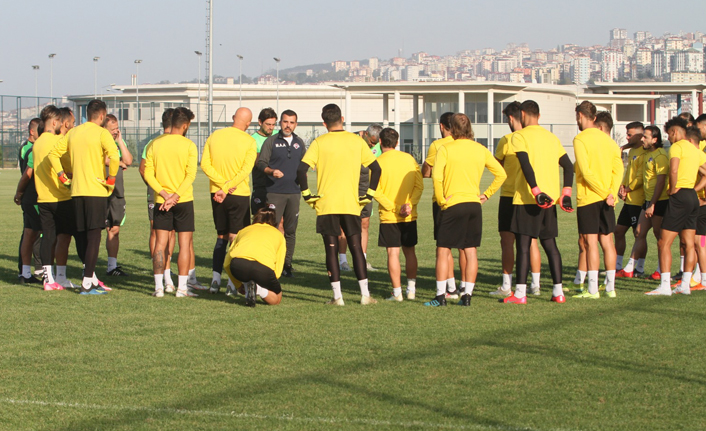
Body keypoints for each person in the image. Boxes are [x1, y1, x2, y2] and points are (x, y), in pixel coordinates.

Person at [296, 103, 382, 305]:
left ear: (324, 123)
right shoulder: (357, 141)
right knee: (356, 249)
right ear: (342, 119)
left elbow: (301, 170)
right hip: (351, 203)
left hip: (327, 205)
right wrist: (369, 196)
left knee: (331, 250)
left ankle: (338, 297)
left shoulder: (319, 142)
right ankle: (365, 295)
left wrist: (308, 195)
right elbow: (376, 169)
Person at [428, 114, 506, 307]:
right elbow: (501, 174)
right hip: (473, 204)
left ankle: (440, 296)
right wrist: (486, 195)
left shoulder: (445, 148)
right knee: (470, 250)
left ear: (452, 129)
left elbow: (436, 177)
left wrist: (440, 199)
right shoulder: (480, 149)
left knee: (443, 249)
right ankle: (467, 295)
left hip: (452, 203)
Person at [503, 100, 575, 305]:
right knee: (550, 245)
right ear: (539, 116)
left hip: (527, 199)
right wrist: (566, 192)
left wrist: (535, 190)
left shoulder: (519, 136)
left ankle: (520, 294)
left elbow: (525, 165)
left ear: (522, 114)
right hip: (550, 201)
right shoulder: (551, 137)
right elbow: (569, 167)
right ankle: (558, 292)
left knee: (524, 246)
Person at [48, 99, 120, 295]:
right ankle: (88, 281)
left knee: (83, 235)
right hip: (96, 190)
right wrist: (111, 179)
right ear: (102, 116)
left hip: (76, 191)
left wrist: (62, 175)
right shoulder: (102, 133)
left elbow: (53, 154)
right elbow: (114, 156)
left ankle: (90, 277)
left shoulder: (74, 132)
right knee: (94, 236)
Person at [143, 107, 199, 298]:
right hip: (183, 200)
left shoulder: (154, 144)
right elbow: (190, 174)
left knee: (160, 244)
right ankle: (182, 288)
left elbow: (147, 173)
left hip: (161, 201)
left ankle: (159, 287)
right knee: (184, 244)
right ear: (185, 125)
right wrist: (175, 196)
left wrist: (164, 194)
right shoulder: (189, 145)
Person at [646, 119, 706, 296]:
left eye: (669, 134)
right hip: (692, 197)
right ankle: (685, 285)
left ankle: (665, 286)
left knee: (664, 242)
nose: (669, 138)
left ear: (675, 132)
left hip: (679, 197)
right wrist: (695, 189)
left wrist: (672, 189)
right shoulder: (696, 150)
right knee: (689, 243)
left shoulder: (677, 147)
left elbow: (673, 170)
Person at [201, 107, 257, 294]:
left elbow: (205, 164)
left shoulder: (215, 136)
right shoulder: (249, 141)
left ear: (233, 118)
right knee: (235, 239)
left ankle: (215, 280)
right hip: (238, 194)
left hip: (216, 193)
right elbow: (245, 170)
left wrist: (221, 185)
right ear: (248, 123)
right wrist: (228, 186)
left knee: (220, 237)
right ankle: (233, 284)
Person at [21, 105, 77, 290]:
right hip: (61, 196)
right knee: (64, 237)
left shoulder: (36, 144)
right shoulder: (57, 141)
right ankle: (60, 276)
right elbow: (69, 165)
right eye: (61, 122)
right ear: (54, 122)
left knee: (48, 237)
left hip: (43, 197)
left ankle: (48, 279)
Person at [572, 101, 624, 299]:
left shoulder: (580, 139)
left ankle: (592, 289)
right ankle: (610, 288)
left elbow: (585, 172)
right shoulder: (609, 142)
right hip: (607, 199)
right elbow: (618, 170)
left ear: (580, 116)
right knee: (607, 242)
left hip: (590, 197)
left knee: (590, 243)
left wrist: (603, 193)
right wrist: (611, 193)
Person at [493, 102, 542, 297]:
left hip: (509, 195)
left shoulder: (507, 139)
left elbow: (497, 167)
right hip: (530, 195)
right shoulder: (535, 138)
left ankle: (507, 285)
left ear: (512, 118)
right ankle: (535, 284)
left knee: (507, 241)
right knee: (531, 241)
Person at [372, 127, 423, 301]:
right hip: (409, 214)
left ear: (380, 142)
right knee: (410, 251)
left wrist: (394, 207)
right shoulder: (409, 159)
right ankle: (411, 290)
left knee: (392, 253)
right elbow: (419, 186)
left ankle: (397, 292)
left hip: (389, 216)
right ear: (397, 142)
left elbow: (375, 191)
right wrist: (409, 205)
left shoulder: (377, 162)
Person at [256, 109, 305, 277]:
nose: (288, 125)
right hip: (274, 192)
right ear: (280, 123)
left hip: (293, 193)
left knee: (291, 230)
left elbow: (304, 165)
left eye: (291, 122)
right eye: (285, 122)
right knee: (271, 229)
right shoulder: (271, 142)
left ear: (296, 124)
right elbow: (261, 163)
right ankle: (269, 263)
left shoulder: (300, 143)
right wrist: (271, 171)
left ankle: (287, 265)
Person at [421, 112, 463, 298]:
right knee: (465, 247)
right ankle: (466, 287)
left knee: (444, 246)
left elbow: (427, 171)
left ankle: (450, 288)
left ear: (441, 126)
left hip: (443, 199)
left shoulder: (438, 145)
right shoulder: (467, 145)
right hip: (465, 197)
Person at [622, 126, 669, 281]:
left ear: (655, 139)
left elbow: (661, 182)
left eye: (646, 137)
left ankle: (661, 270)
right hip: (648, 201)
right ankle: (630, 268)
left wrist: (653, 204)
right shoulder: (649, 154)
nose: (642, 139)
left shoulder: (660, 155)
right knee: (639, 232)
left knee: (660, 238)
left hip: (659, 202)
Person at [139, 109, 178, 292]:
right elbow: (142, 168)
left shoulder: (173, 142)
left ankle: (167, 275)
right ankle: (163, 275)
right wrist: (156, 188)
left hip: (169, 194)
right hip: (165, 195)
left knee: (167, 233)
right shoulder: (154, 143)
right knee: (160, 232)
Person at [338, 123, 384, 273]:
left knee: (364, 224)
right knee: (344, 225)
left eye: (375, 143)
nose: (372, 145)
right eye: (371, 142)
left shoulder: (378, 149)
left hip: (366, 190)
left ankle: (362, 260)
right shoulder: (351, 140)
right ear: (365, 134)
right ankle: (343, 261)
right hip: (348, 188)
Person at [224, 206, 286, 307]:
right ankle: (259, 290)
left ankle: (248, 286)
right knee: (277, 299)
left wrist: (238, 285)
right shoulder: (278, 235)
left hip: (238, 265)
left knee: (247, 274)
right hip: (263, 268)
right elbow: (279, 262)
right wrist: (271, 281)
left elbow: (227, 262)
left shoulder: (244, 230)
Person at [614, 122, 646, 276]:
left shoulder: (644, 152)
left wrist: (628, 188)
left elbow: (641, 177)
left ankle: (639, 268)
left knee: (639, 235)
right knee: (618, 231)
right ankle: (618, 265)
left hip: (638, 200)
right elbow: (629, 173)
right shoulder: (633, 150)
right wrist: (622, 187)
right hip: (629, 200)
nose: (627, 137)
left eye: (630, 134)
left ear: (640, 135)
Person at [103, 114, 133, 276]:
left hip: (117, 193)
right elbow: (106, 159)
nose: (115, 131)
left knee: (114, 228)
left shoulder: (117, 142)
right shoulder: (100, 141)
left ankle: (111, 266)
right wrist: (119, 162)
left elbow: (128, 160)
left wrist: (120, 141)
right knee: (94, 229)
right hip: (100, 192)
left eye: (116, 128)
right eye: (112, 129)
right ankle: (89, 266)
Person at [15, 118, 42, 284]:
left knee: (32, 233)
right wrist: (20, 192)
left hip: (31, 196)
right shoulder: (30, 149)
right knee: (31, 233)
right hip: (33, 197)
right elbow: (26, 175)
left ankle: (29, 271)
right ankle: (25, 270)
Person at [251, 108, 278, 214]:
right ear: (260, 122)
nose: (271, 128)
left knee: (279, 220)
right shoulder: (253, 140)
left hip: (277, 186)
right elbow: (258, 163)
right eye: (268, 124)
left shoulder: (278, 135)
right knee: (259, 218)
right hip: (261, 185)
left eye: (273, 124)